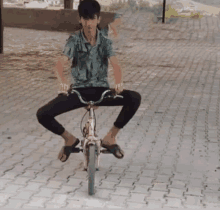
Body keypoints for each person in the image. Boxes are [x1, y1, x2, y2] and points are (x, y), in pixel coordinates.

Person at [36, 0, 141, 162]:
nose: (89, 23)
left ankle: (111, 137)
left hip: (102, 92)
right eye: (85, 19)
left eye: (92, 18)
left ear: (98, 19)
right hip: (78, 92)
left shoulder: (105, 42)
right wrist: (62, 81)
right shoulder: (74, 40)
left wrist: (119, 82)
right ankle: (69, 139)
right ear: (80, 20)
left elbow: (116, 65)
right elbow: (60, 63)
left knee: (134, 98)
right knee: (42, 114)